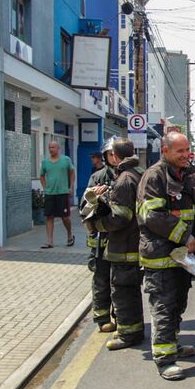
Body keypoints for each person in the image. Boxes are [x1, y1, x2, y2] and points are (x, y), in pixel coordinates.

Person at [137, 132, 195, 381]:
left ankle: (173, 344)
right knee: (164, 306)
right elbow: (153, 216)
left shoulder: (190, 173)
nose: (185, 155)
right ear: (165, 150)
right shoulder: (154, 176)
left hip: (183, 257)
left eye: (187, 150)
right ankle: (164, 359)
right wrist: (185, 236)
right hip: (160, 255)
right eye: (179, 151)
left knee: (178, 303)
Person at [87, 139, 145, 350]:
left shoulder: (124, 179)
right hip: (133, 245)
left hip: (122, 247)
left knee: (122, 292)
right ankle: (133, 330)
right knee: (130, 291)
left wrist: (98, 225)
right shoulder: (139, 175)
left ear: (117, 157)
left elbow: (120, 217)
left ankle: (129, 336)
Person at [80, 138, 117, 333]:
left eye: (116, 153)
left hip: (123, 239)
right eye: (110, 154)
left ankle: (121, 316)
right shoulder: (97, 177)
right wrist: (94, 197)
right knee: (101, 279)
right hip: (100, 240)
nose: (114, 157)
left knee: (122, 281)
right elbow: (84, 209)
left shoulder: (129, 176)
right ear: (105, 156)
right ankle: (102, 317)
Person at [40, 141, 75, 249]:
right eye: (50, 147)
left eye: (53, 147)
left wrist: (71, 187)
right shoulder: (45, 162)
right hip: (50, 193)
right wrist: (45, 188)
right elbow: (41, 176)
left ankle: (69, 235)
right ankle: (50, 241)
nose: (51, 149)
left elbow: (72, 172)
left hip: (63, 192)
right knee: (49, 217)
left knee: (65, 217)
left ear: (58, 148)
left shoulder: (66, 160)